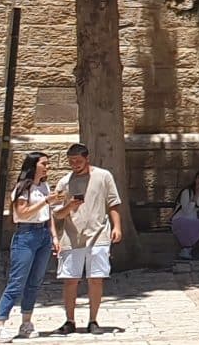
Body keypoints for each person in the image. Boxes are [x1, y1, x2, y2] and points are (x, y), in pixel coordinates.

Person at [0, 152, 69, 341]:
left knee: (34, 282)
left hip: (43, 234)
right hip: (26, 235)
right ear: (33, 166)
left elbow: (48, 214)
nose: (47, 167)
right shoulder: (22, 188)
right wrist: (45, 201)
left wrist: (54, 236)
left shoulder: (44, 186)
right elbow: (22, 213)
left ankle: (26, 322)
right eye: (44, 164)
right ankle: (0, 325)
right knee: (17, 282)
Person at [52, 142, 125, 336]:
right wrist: (70, 206)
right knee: (70, 280)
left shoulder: (103, 176)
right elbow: (57, 214)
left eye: (78, 161)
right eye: (71, 161)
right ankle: (70, 320)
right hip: (72, 237)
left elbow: (113, 203)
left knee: (95, 279)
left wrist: (117, 227)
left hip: (98, 234)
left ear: (87, 159)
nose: (74, 164)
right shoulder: (64, 182)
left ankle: (93, 320)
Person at [170, 168, 199, 261]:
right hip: (180, 221)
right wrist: (196, 194)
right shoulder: (187, 192)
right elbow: (187, 211)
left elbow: (195, 212)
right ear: (195, 179)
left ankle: (187, 249)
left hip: (191, 221)